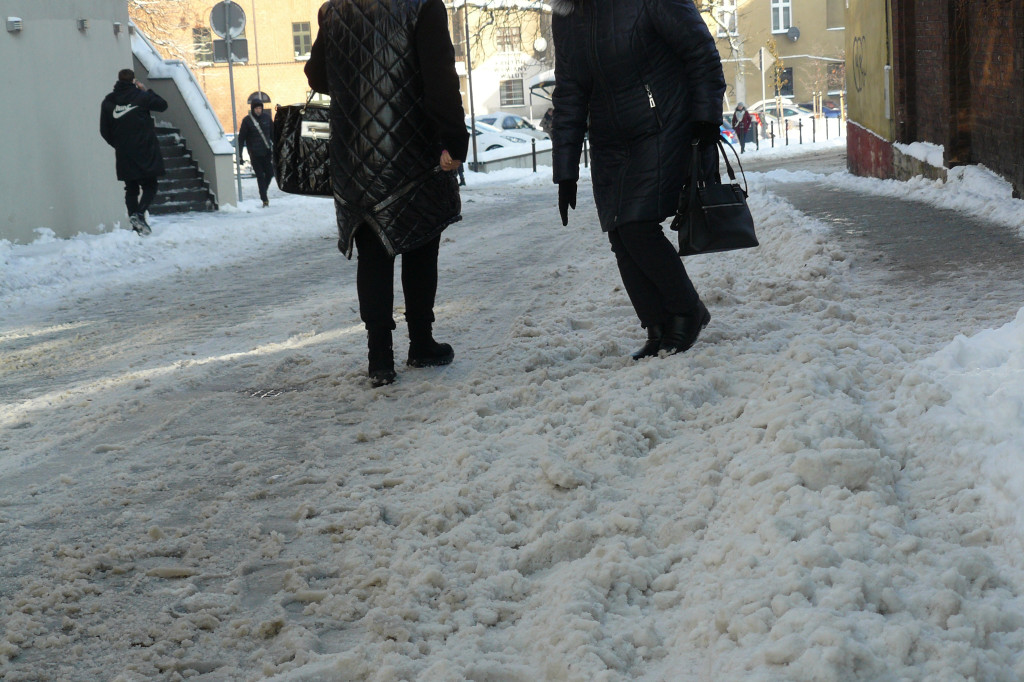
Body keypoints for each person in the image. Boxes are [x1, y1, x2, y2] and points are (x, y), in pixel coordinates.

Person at [305, 0, 469, 387]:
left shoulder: (335, 11)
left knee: (372, 253)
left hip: (354, 153)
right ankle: (421, 342)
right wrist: (453, 140)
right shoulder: (422, 6)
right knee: (421, 242)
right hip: (411, 146)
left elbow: (316, 75)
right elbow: (439, 78)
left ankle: (379, 357)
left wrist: (359, 83)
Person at [550, 0, 726, 359]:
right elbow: (570, 90)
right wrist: (565, 169)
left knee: (636, 225)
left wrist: (706, 119)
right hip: (609, 139)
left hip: (663, 123)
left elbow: (701, 51)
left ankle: (688, 310)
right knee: (618, 229)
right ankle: (658, 324)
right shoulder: (566, 15)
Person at [100, 69, 169, 235]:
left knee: (131, 187)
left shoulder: (109, 101)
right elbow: (162, 105)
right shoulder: (141, 96)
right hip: (145, 149)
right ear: (133, 81)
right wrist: (146, 90)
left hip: (124, 151)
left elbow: (104, 130)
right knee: (150, 185)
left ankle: (135, 222)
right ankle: (139, 214)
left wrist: (118, 144)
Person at [237, 99, 275, 207]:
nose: (259, 110)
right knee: (260, 176)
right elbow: (241, 139)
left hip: (267, 151)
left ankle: (263, 191)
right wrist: (239, 155)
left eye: (260, 108)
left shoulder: (267, 118)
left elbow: (273, 134)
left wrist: (276, 148)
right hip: (254, 153)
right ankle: (264, 199)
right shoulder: (247, 121)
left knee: (270, 173)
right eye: (256, 108)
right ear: (253, 109)